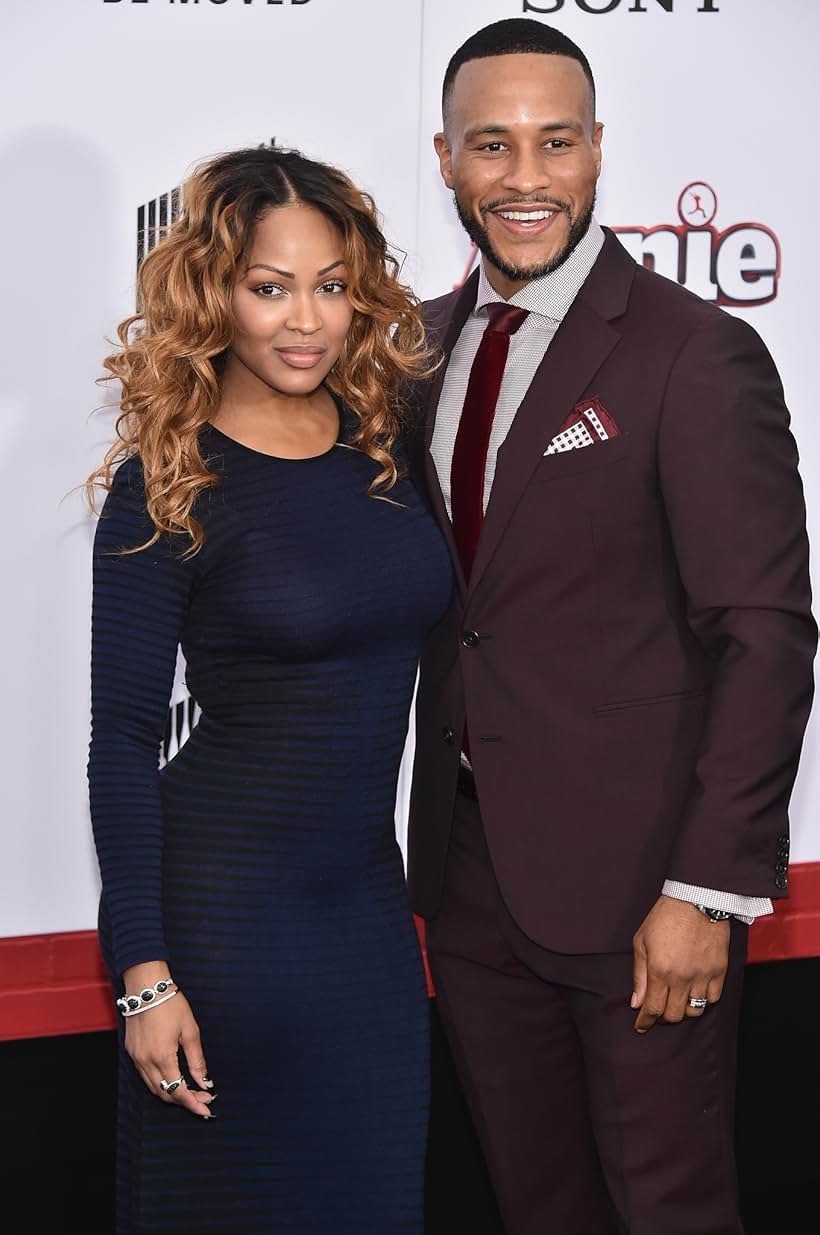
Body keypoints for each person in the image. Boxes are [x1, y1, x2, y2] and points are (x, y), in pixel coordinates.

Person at [407, 19, 815, 1235]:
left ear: (597, 152)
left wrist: (707, 887)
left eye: (555, 142)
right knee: (540, 1208)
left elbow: (767, 632)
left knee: (669, 1211)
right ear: (444, 159)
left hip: (646, 886)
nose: (524, 178)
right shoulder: (413, 348)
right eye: (492, 145)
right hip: (470, 881)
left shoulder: (696, 353)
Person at [86, 145, 452, 1234]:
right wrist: (144, 975)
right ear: (216, 295)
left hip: (365, 924)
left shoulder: (384, 451)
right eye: (269, 285)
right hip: (222, 926)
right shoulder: (173, 476)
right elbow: (122, 737)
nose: (306, 319)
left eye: (331, 286)